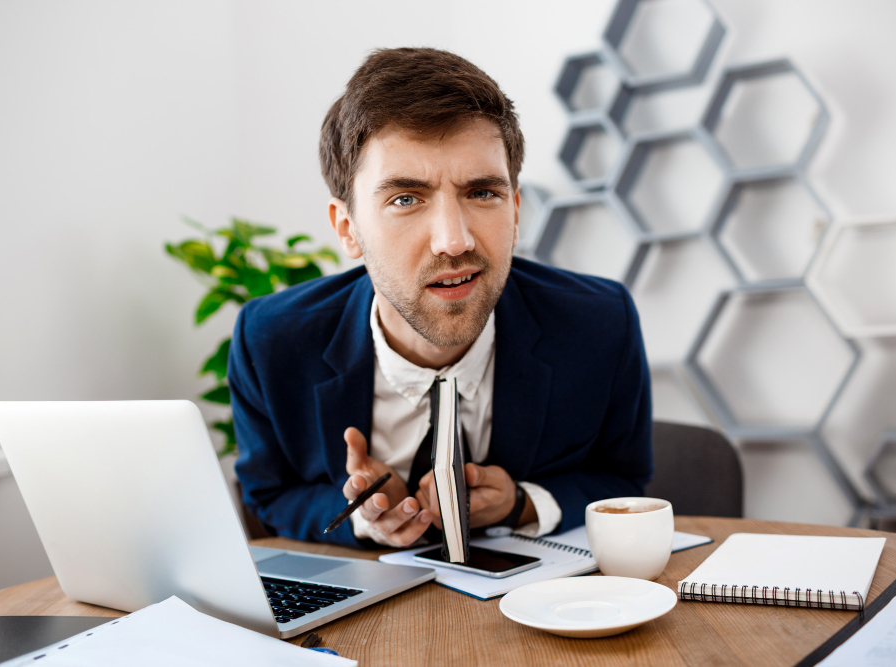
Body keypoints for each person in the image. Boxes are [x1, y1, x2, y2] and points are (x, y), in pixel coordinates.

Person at [229, 47, 653, 548]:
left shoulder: (600, 322)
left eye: (482, 193)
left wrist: (522, 502)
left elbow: (624, 481)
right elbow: (270, 492)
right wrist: (363, 516)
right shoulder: (270, 338)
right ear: (348, 229)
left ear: (515, 212)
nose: (455, 241)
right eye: (405, 199)